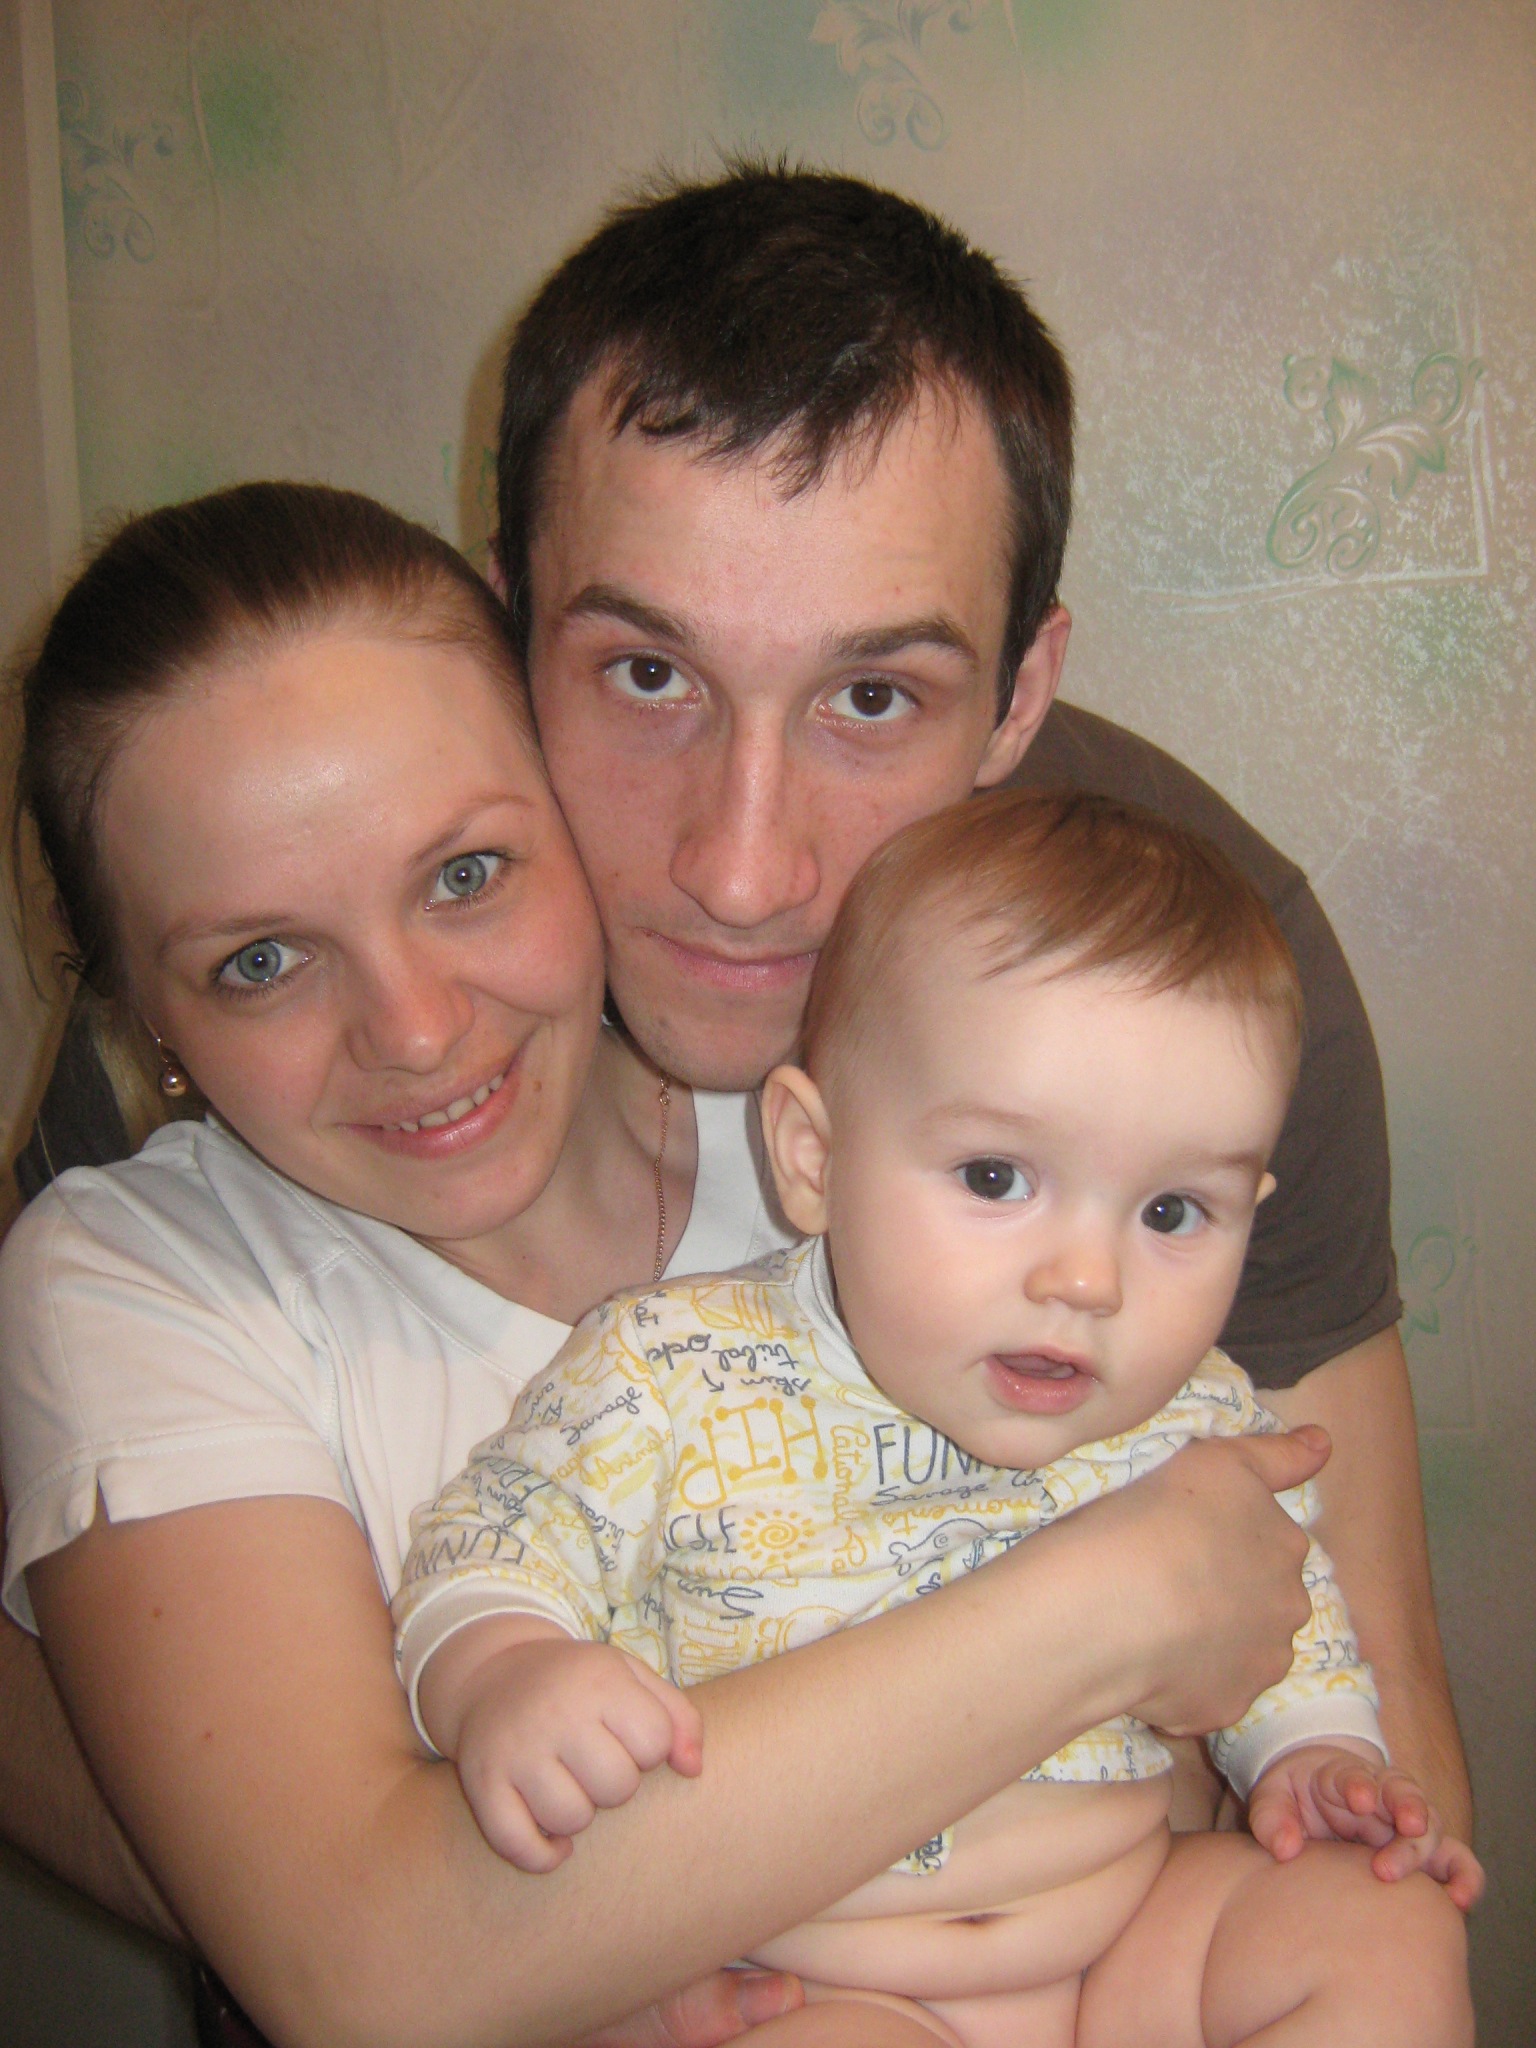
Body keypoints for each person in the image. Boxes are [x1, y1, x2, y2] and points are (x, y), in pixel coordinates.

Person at [0, 482, 1329, 2048]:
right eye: (262, 962)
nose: (415, 1031)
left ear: (568, 801)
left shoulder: (902, 1132)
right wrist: (1117, 1603)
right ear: (143, 1019)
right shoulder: (140, 1280)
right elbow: (371, 1966)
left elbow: (1239, 1724)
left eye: (467, 874)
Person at [394, 788, 1476, 2048]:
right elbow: (492, 1543)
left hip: (1131, 1937)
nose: (1089, 1280)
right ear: (813, 1156)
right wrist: (507, 1673)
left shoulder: (1197, 1414)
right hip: (828, 1979)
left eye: (1173, 1212)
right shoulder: (672, 1369)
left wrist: (1314, 1754)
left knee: (1383, 1928)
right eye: (996, 1177)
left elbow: (1289, 1619)